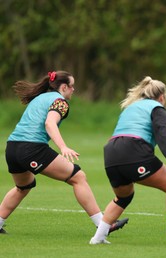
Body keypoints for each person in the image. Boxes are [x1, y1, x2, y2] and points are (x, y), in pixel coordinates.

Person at [0, 71, 128, 235]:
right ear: (64, 87)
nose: (73, 90)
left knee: (23, 186)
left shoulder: (40, 97)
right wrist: (63, 147)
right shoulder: (60, 102)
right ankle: (103, 224)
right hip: (31, 149)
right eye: (72, 86)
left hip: (12, 148)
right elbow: (50, 123)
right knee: (78, 177)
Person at [89, 76, 166, 244]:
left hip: (111, 152)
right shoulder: (158, 108)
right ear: (162, 97)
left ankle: (98, 238)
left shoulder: (130, 107)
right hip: (133, 150)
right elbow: (163, 137)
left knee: (123, 197)